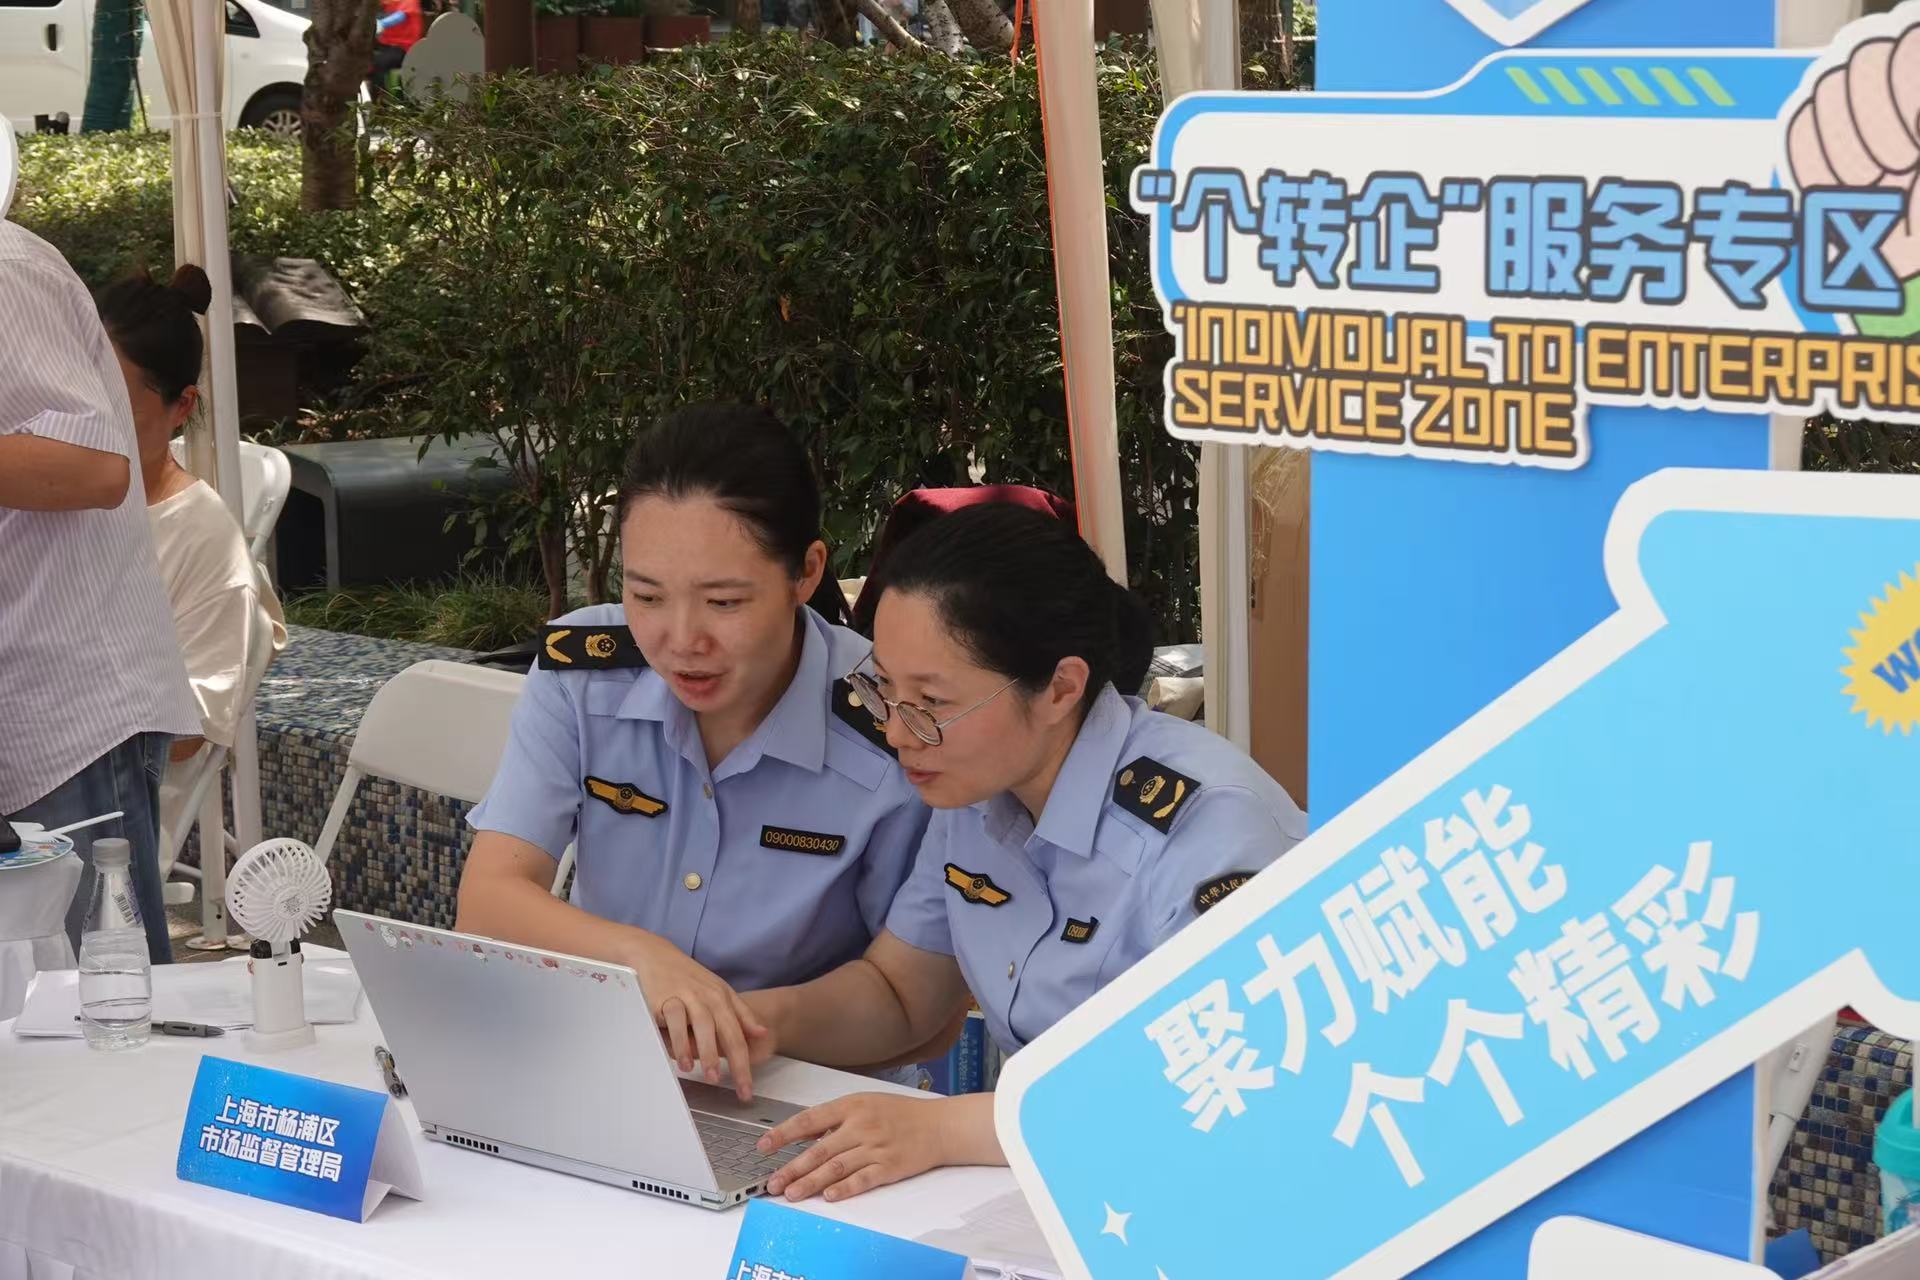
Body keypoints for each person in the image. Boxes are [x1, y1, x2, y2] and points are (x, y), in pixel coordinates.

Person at [740, 503, 1308, 1203]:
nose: (897, 733)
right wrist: (744, 1023)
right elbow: (901, 992)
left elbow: (1226, 1084)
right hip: (1042, 1189)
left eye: (931, 702)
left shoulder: (1209, 827)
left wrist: (947, 1129)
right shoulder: (975, 790)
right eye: (883, 687)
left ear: (1061, 688)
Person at [457, 404, 932, 1100]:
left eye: (724, 603)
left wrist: (732, 1022)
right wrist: (641, 959)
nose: (681, 641)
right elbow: (489, 900)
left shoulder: (894, 724)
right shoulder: (582, 676)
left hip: (811, 1096)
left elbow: (915, 1005)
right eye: (646, 595)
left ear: (806, 572)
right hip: (607, 1073)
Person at [0, 220, 201, 965]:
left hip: (63, 715)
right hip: (29, 704)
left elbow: (93, 465)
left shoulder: (7, 267)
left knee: (106, 1003)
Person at [94, 265, 288, 848]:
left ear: (182, 407)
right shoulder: (57, 499)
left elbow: (185, 735)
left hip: (106, 822)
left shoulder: (202, 538)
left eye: (114, 406)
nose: (89, 423)